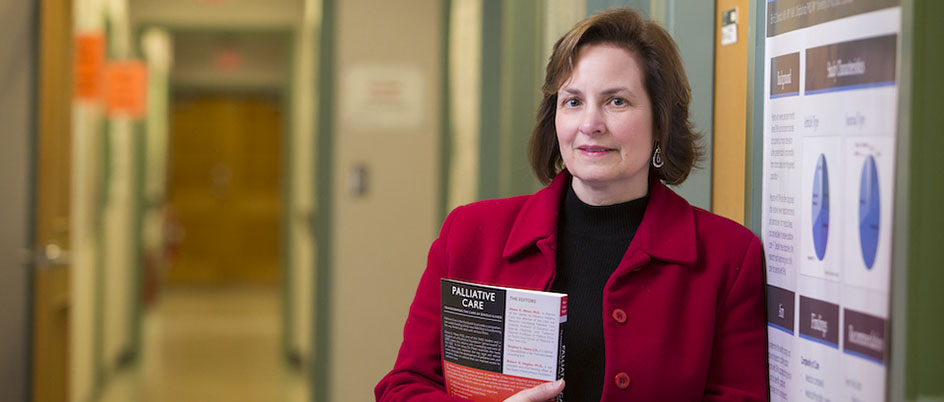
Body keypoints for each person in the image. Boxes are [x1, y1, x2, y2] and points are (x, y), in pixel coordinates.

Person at [376, 7, 766, 402]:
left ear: (661, 123)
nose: (590, 123)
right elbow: (402, 388)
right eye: (573, 102)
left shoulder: (728, 257)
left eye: (616, 102)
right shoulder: (470, 234)